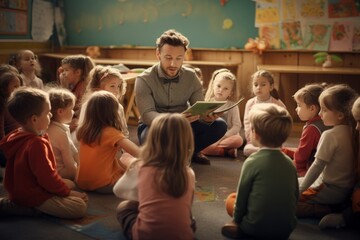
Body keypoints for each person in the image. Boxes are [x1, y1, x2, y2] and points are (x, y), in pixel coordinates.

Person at [134, 29, 227, 165]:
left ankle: (189, 152)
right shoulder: (143, 79)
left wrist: (207, 117)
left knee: (219, 126)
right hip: (155, 126)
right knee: (150, 142)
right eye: (168, 58)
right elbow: (148, 115)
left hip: (185, 123)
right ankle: (176, 155)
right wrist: (174, 119)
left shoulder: (191, 76)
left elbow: (199, 108)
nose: (173, 64)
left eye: (179, 58)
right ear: (158, 54)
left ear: (184, 56)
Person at [0, 87, 88, 219]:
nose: (51, 115)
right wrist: (67, 194)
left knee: (69, 184)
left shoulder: (17, 134)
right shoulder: (36, 144)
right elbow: (47, 177)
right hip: (32, 195)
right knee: (79, 207)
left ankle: (21, 204)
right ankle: (27, 209)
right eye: (47, 113)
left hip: (20, 189)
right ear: (34, 119)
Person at [222, 103, 298, 239]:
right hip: (285, 230)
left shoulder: (252, 161)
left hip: (253, 228)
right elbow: (295, 195)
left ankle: (239, 229)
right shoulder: (290, 163)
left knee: (231, 199)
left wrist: (236, 220)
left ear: (255, 134)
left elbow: (242, 197)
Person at [115, 113, 196, 239]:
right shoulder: (189, 173)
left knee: (124, 207)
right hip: (183, 236)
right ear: (187, 142)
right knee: (187, 215)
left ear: (152, 139)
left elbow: (118, 190)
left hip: (145, 235)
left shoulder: (142, 167)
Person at [296, 84, 358, 220]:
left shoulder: (330, 135)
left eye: (324, 110)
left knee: (286, 201)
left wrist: (300, 191)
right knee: (293, 182)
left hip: (329, 188)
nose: (319, 114)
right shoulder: (353, 132)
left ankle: (326, 210)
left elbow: (317, 167)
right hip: (345, 190)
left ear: (340, 115)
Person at [76, 91, 139, 193]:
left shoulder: (84, 130)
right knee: (135, 167)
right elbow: (137, 152)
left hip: (81, 182)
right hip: (103, 184)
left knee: (122, 161)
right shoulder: (111, 132)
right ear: (113, 113)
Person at [317, 96, 360, 229]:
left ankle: (347, 216)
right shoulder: (351, 134)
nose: (357, 127)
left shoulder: (332, 135)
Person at [282, 83, 330, 177]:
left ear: (312, 108)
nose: (296, 109)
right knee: (284, 151)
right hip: (327, 165)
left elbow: (302, 155)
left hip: (315, 170)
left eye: (299, 105)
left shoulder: (312, 129)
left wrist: (297, 168)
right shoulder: (325, 122)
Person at [201, 68, 243, 158]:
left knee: (238, 140)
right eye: (218, 86)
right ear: (213, 86)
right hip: (211, 136)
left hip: (227, 136)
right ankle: (225, 152)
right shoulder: (207, 102)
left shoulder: (233, 106)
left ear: (230, 93)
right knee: (199, 143)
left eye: (226, 89)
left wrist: (222, 138)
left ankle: (212, 149)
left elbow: (237, 126)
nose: (221, 90)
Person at [243, 69, 286, 157]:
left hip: (272, 139)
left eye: (263, 85)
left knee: (279, 149)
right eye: (256, 85)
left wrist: (276, 140)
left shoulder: (277, 104)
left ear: (271, 87)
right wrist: (251, 139)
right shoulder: (250, 103)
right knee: (247, 150)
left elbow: (283, 123)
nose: (259, 87)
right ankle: (268, 153)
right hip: (255, 139)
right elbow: (247, 122)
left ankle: (268, 151)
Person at [46, 87, 79, 181]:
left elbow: (74, 151)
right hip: (59, 171)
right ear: (60, 111)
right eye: (72, 109)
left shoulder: (49, 126)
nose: (73, 112)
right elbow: (69, 163)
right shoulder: (60, 133)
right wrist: (77, 173)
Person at [58, 54, 95, 132]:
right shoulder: (74, 84)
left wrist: (64, 88)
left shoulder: (83, 86)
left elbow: (69, 105)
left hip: (83, 120)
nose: (63, 73)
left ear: (77, 72)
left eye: (66, 70)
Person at [0, 65, 22, 168]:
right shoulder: (2, 106)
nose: (18, 89)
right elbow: (1, 134)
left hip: (18, 139)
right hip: (8, 145)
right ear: (4, 89)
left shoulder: (18, 102)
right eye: (15, 87)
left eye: (20, 86)